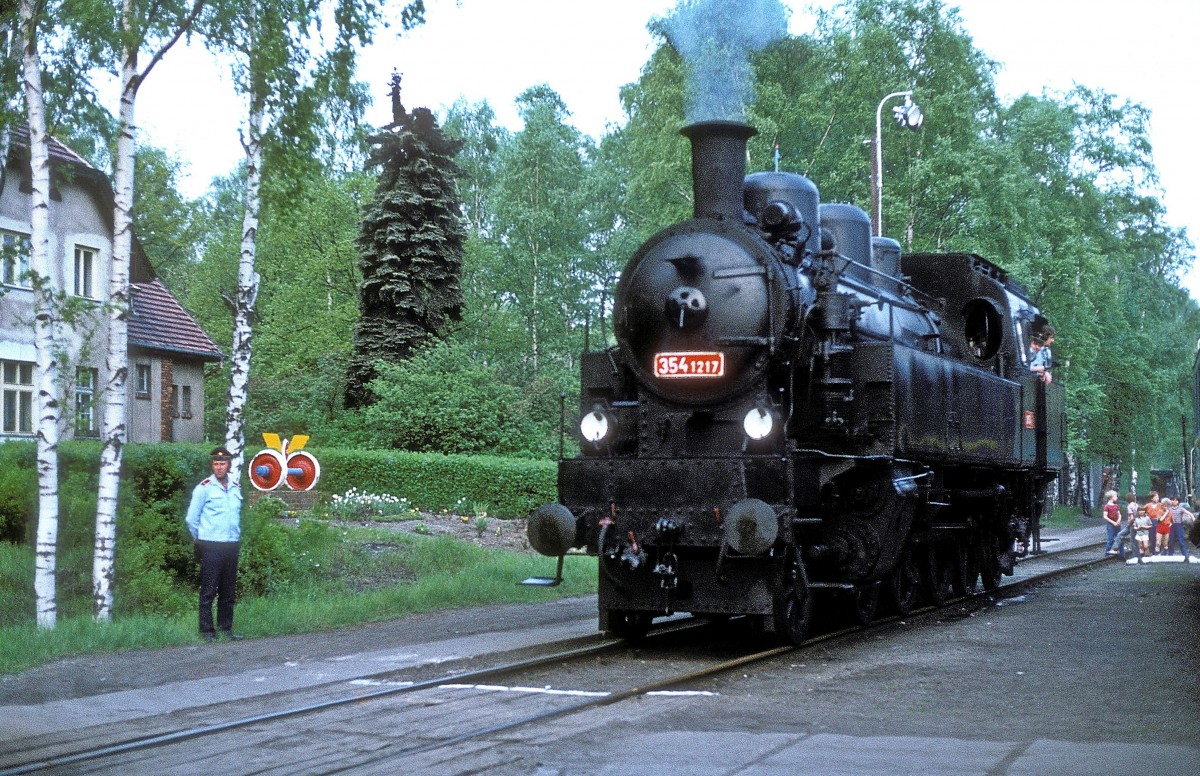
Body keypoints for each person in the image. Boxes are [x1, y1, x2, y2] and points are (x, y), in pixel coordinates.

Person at [186, 447, 244, 641]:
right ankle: (207, 631)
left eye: (222, 463)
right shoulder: (204, 488)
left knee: (228, 589)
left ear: (228, 465)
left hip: (231, 544)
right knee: (209, 589)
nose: (219, 467)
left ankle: (226, 628)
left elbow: (236, 516)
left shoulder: (236, 486)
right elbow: (191, 518)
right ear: (212, 465)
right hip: (211, 544)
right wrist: (199, 538)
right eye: (216, 464)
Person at [1102, 490, 1121, 556]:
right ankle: (1107, 552)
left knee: (1119, 536)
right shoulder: (1107, 506)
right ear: (1111, 497)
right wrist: (1113, 522)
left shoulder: (1116, 505)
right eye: (1116, 496)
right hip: (1110, 524)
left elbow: (1119, 514)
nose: (1117, 497)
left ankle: (1120, 551)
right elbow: (1105, 516)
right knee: (1111, 538)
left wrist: (1118, 520)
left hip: (1117, 524)